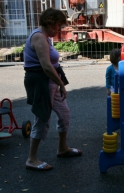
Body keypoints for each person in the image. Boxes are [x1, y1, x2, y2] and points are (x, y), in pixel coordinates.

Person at [23, 8, 82, 171]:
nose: (58, 30)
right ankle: (31, 159)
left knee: (64, 114)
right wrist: (61, 84)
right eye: (57, 26)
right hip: (42, 82)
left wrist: (59, 83)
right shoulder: (39, 37)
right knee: (42, 119)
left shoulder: (46, 37)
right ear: (49, 22)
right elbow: (47, 67)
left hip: (50, 82)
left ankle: (62, 148)